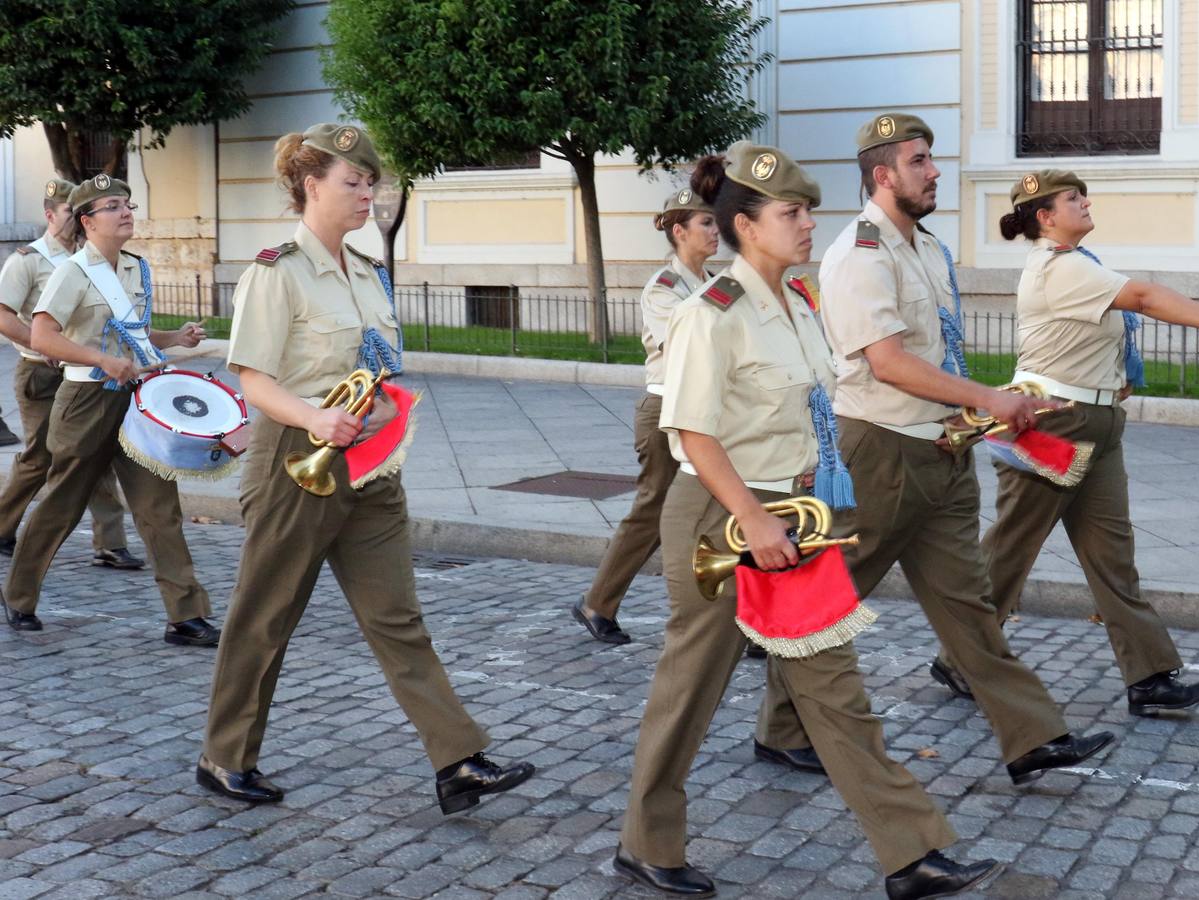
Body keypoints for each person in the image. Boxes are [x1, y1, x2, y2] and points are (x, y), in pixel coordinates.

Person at [614, 142, 1000, 900]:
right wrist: (754, 518)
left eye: (808, 211)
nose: (807, 224)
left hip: (794, 522)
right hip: (726, 522)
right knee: (689, 690)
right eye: (792, 213)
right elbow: (692, 432)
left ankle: (912, 853)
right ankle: (645, 842)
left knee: (835, 690)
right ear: (747, 227)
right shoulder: (710, 315)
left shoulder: (801, 302)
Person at [755, 113, 1115, 786]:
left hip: (943, 451)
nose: (936, 171)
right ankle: (781, 729)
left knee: (970, 606)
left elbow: (933, 349)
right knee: (834, 596)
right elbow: (888, 363)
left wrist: (976, 409)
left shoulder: (924, 247)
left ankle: (1033, 736)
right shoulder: (859, 254)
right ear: (883, 174)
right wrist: (990, 398)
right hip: (882, 451)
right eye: (921, 161)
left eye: (933, 159)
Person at [197, 124, 534, 813]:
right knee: (266, 616)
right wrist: (315, 417)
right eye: (352, 181)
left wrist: (380, 407)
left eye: (370, 180)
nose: (366, 192)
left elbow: (376, 367)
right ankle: (225, 757)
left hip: (368, 466)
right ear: (311, 185)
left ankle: (457, 761)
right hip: (296, 460)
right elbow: (252, 377)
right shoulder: (275, 269)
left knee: (398, 617)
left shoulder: (367, 271)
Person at [936, 169, 1199, 716]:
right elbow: (1141, 296)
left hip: (1096, 424)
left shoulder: (1081, 266)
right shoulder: (1059, 268)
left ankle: (1149, 676)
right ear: (1046, 217)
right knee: (1010, 551)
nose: (1086, 202)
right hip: (1052, 426)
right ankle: (959, 657)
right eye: (1073, 198)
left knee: (1112, 558)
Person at [1, 174, 216, 645]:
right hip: (86, 401)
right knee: (62, 504)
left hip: (137, 399)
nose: (126, 213)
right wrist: (101, 360)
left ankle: (185, 615)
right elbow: (42, 336)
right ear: (87, 220)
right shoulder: (71, 272)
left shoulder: (136, 267)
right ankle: (18, 595)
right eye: (113, 206)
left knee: (160, 508)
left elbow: (132, 333)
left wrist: (174, 338)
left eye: (128, 204)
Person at [572, 188, 718, 644]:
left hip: (709, 410)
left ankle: (746, 622)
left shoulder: (713, 283)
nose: (716, 232)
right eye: (705, 224)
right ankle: (596, 602)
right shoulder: (665, 288)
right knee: (653, 512)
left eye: (716, 223)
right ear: (679, 232)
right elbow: (689, 347)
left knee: (729, 508)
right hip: (666, 411)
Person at [0, 176, 143, 570]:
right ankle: (3, 526)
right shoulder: (28, 260)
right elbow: (3, 315)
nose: (73, 219)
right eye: (68, 212)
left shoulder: (93, 258)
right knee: (39, 460)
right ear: (52, 215)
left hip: (85, 373)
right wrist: (43, 344)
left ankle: (110, 542)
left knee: (94, 459)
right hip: (40, 372)